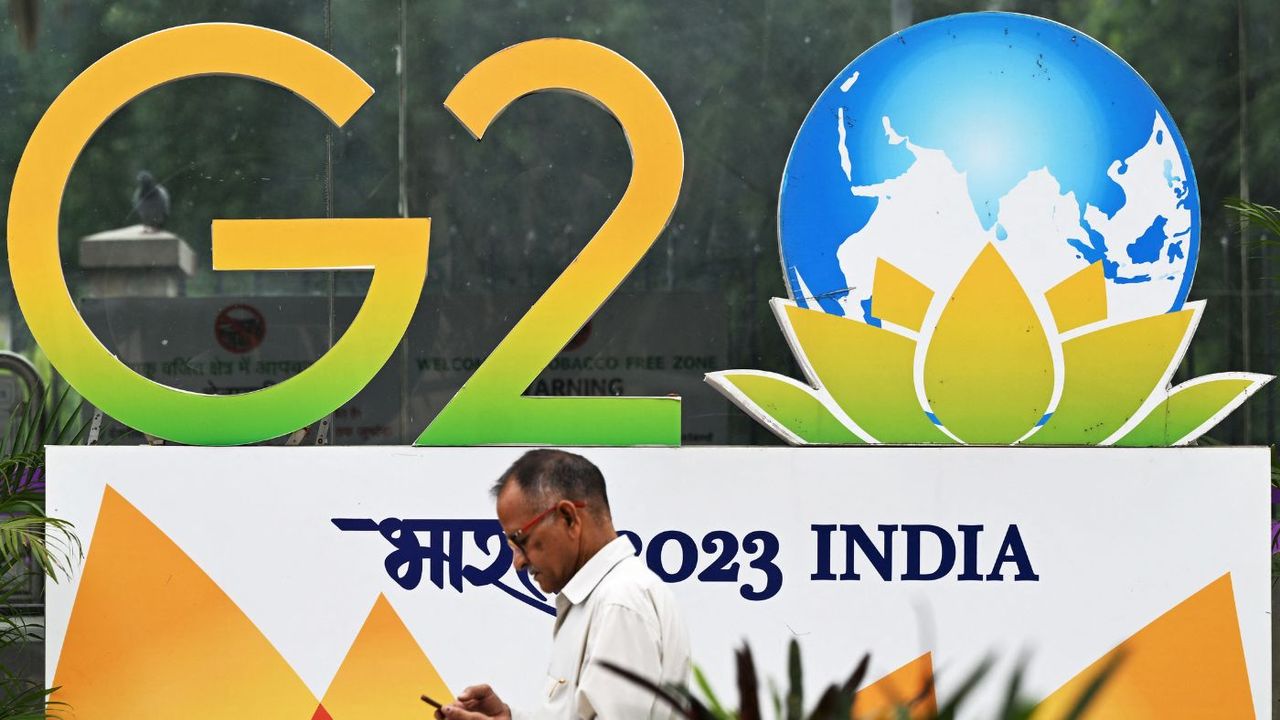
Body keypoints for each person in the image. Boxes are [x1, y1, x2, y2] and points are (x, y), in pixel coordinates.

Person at [437, 449, 690, 720]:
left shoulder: (620, 602)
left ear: (568, 517)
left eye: (520, 540)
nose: (518, 563)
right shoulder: (601, 599)